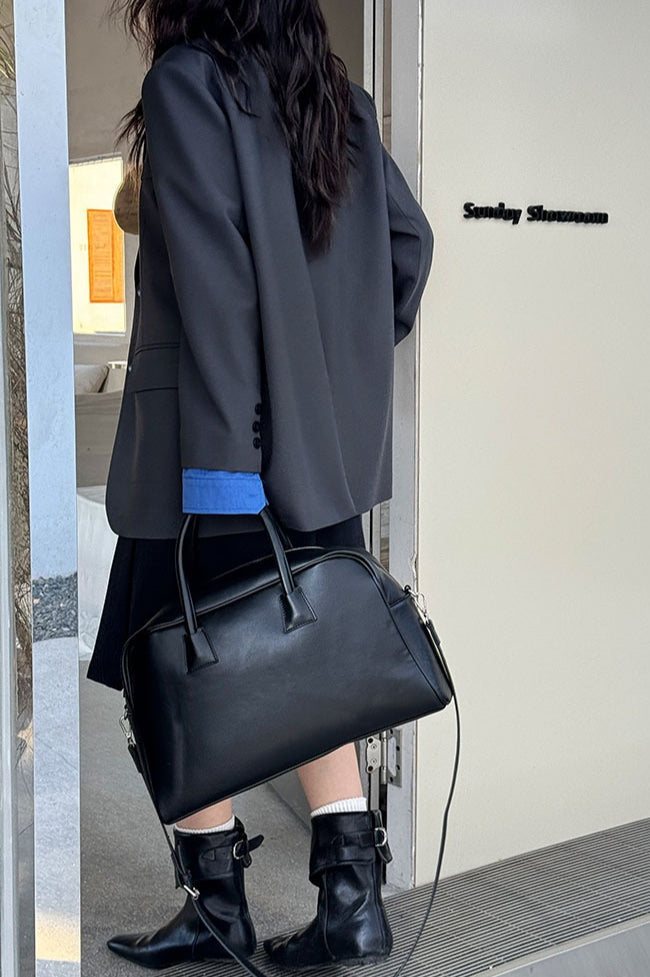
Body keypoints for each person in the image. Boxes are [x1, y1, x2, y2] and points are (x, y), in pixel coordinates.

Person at [90, 0, 434, 970]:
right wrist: (325, 375)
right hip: (310, 460)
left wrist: (222, 472)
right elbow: (406, 250)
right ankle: (352, 905)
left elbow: (213, 287)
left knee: (180, 673)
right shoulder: (338, 99)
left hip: (209, 456)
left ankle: (216, 910)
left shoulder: (187, 82)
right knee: (314, 668)